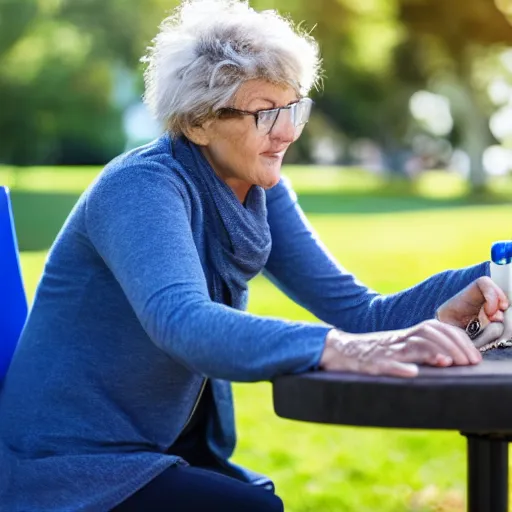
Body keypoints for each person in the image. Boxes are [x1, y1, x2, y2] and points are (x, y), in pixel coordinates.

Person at [0, 0, 509, 510]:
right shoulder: (141, 187)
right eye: (266, 113)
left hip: (161, 449)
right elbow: (182, 321)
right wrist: (339, 348)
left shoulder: (260, 186)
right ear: (198, 122)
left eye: (294, 109)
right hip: (66, 463)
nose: (287, 133)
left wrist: (490, 280)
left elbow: (358, 312)